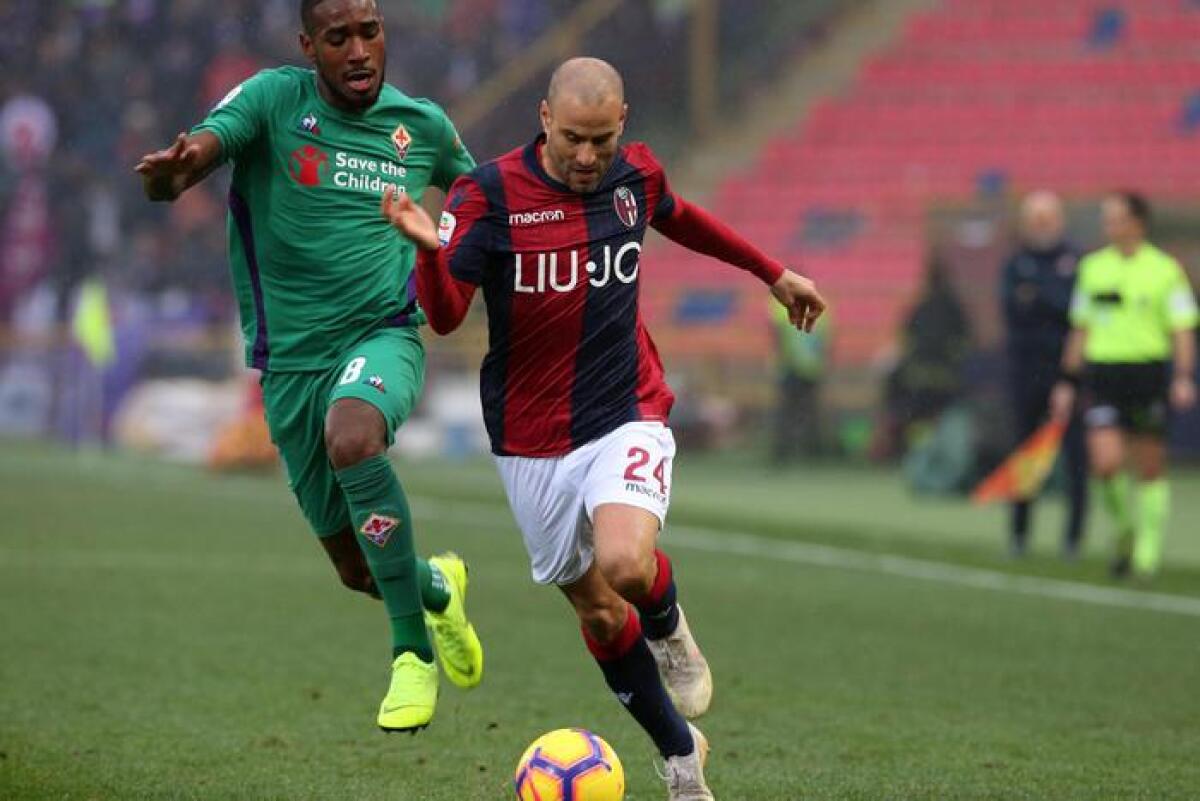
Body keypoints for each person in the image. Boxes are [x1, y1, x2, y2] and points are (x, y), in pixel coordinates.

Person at [382, 57, 827, 801]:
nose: (588, 158)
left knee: (624, 564)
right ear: (545, 119)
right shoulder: (486, 194)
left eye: (602, 140)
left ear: (621, 125)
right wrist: (430, 253)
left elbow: (684, 218)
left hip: (626, 407)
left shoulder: (636, 176)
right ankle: (682, 751)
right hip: (529, 436)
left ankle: (668, 622)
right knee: (593, 605)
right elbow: (447, 313)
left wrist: (772, 273)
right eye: (574, 140)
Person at [133, 0, 483, 733]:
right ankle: (437, 587)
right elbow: (203, 146)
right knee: (358, 568)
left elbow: (487, 202)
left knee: (354, 436)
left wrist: (447, 250)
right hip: (291, 365)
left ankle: (411, 652)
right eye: (338, 38)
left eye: (370, 31)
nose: (358, 50)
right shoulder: (273, 99)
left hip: (385, 333)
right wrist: (173, 173)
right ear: (309, 46)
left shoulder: (421, 125)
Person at [1051, 191, 1198, 578]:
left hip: (1147, 374)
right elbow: (1080, 328)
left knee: (1150, 467)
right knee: (1105, 463)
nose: (1109, 226)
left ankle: (1147, 551)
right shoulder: (1093, 268)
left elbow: (1182, 329)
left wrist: (1183, 376)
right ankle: (1124, 529)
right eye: (1106, 219)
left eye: (1115, 218)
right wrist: (1067, 380)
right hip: (1104, 375)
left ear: (1137, 223)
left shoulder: (1166, 270)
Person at [999, 191, 1088, 559]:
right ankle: (1019, 536)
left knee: (1076, 458)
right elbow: (1012, 313)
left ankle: (1072, 541)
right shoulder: (1015, 263)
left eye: (1046, 217)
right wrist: (1053, 304)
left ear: (1059, 219)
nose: (1040, 224)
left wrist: (1039, 297)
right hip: (1026, 372)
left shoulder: (1078, 261)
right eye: (1034, 218)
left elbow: (1076, 314)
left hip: (1070, 371)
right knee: (1025, 455)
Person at [769, 299, 830, 464]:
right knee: (807, 413)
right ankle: (810, 454)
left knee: (788, 413)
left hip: (792, 367)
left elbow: (777, 336)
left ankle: (783, 454)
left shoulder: (782, 306)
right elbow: (826, 341)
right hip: (811, 368)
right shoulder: (819, 305)